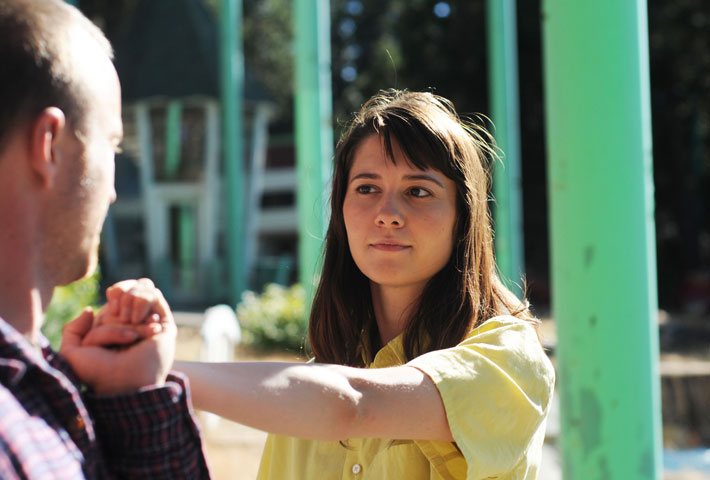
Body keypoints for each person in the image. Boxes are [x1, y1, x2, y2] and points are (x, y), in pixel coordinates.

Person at [107, 90, 555, 479]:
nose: (388, 213)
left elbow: (354, 406)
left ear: (464, 217)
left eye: (418, 191)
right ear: (340, 210)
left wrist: (160, 371)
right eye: (366, 188)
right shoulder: (309, 389)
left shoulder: (509, 360)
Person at [0, 0, 210, 477]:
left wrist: (130, 399)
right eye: (112, 146)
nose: (113, 191)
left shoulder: (33, 392)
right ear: (49, 146)